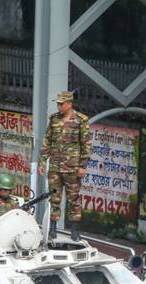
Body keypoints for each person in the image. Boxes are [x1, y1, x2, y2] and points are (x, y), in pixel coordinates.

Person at [37, 90, 91, 234]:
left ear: (69, 104)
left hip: (72, 168)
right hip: (55, 166)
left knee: (74, 199)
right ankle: (53, 228)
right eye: (58, 104)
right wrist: (42, 161)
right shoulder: (54, 119)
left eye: (61, 104)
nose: (59, 107)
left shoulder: (81, 120)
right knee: (54, 198)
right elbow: (47, 140)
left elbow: (86, 144)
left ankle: (75, 229)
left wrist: (82, 166)